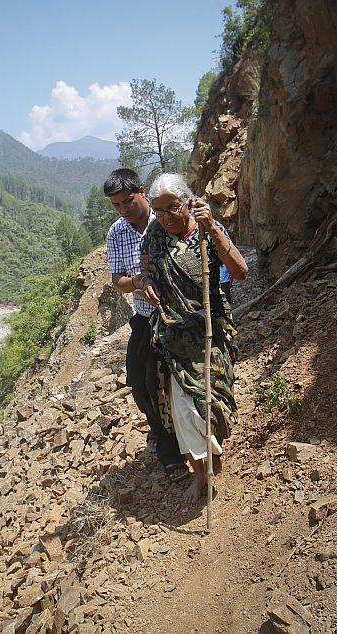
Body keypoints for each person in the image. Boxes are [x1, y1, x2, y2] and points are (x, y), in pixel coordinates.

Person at [137, 173, 248, 502]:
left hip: (209, 332)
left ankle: (213, 459)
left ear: (187, 201)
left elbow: (240, 271)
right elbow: (145, 271)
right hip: (174, 335)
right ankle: (200, 475)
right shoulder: (155, 234)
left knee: (209, 403)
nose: (166, 218)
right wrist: (146, 284)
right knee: (185, 409)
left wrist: (212, 229)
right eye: (158, 211)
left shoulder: (206, 228)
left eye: (172, 209)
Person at [105, 168, 188, 483]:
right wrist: (137, 282)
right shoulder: (116, 233)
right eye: (117, 205)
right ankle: (161, 435)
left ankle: (180, 452)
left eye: (128, 201)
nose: (124, 209)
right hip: (144, 317)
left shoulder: (166, 218)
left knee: (183, 383)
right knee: (140, 385)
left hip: (180, 314)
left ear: (141, 191)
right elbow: (118, 280)